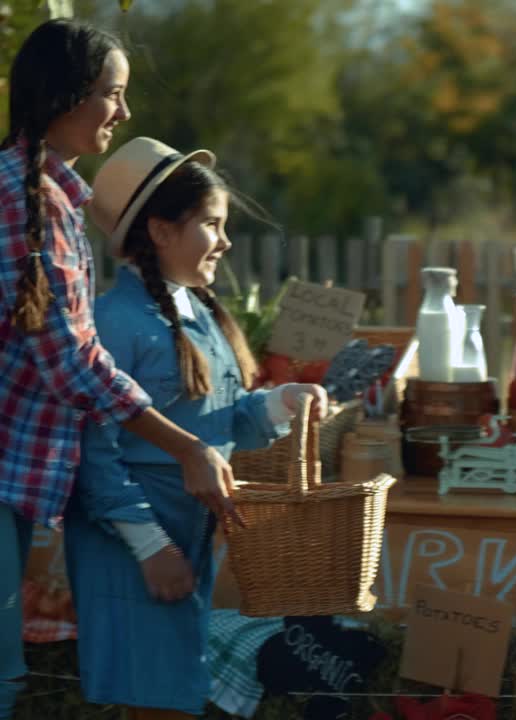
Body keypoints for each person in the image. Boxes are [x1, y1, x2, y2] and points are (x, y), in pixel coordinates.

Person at [0, 21, 238, 718]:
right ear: (67, 94)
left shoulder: (54, 199)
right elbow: (72, 364)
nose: (124, 112)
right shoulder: (21, 199)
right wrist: (186, 447)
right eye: (113, 93)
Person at [63, 137, 327, 720]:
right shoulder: (115, 321)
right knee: (156, 703)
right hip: (135, 546)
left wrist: (283, 402)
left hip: (188, 535)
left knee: (175, 696)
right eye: (211, 224)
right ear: (160, 231)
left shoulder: (200, 313)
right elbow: (96, 453)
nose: (226, 241)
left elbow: (225, 422)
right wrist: (152, 547)